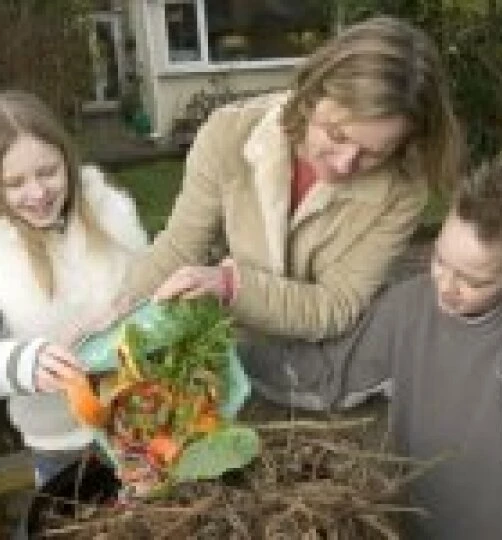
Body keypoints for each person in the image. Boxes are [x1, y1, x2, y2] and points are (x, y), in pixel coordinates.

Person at [255, 158, 502, 537]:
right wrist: (234, 360)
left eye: (473, 281)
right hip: (425, 527)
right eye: (439, 260)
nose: (445, 287)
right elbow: (329, 374)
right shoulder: (406, 308)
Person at [123, 17, 465, 406]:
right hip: (226, 348)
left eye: (375, 153)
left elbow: (335, 306)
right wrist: (113, 318)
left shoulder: (404, 189)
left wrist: (232, 286)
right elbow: (178, 250)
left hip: (323, 358)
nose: (345, 163)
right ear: (311, 93)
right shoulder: (227, 135)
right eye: (336, 135)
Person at [0, 90, 148, 487]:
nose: (38, 193)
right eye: (14, 182)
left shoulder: (112, 212)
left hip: (144, 427)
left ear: (66, 158)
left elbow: (150, 294)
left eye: (48, 172)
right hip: (64, 453)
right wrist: (28, 363)